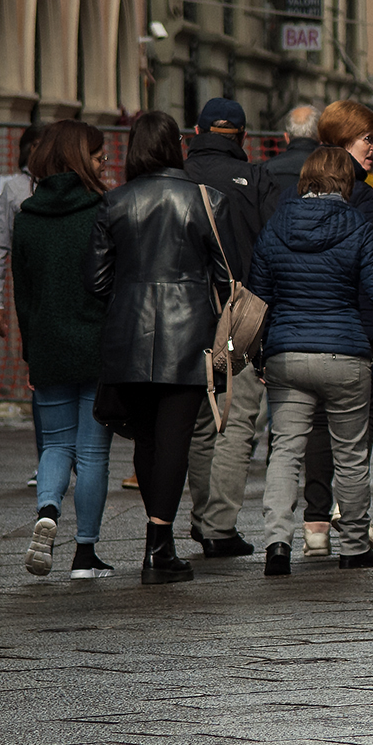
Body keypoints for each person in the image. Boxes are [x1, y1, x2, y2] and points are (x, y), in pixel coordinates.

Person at [85, 111, 231, 585]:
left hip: (128, 334)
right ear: (177, 146)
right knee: (175, 440)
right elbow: (225, 275)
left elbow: (96, 280)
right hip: (189, 333)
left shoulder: (114, 201)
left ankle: (157, 542)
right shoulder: (206, 199)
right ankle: (159, 545)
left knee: (146, 440)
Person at [250, 146, 373, 576]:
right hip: (345, 353)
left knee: (285, 451)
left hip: (286, 353)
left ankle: (277, 544)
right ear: (345, 182)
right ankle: (354, 546)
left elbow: (259, 295)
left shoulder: (277, 224)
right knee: (351, 453)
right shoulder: (357, 224)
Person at [297, 101, 373, 558]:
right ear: (346, 139)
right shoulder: (360, 194)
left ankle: (314, 524)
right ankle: (350, 522)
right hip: (355, 327)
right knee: (353, 430)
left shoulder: (301, 188)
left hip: (303, 327)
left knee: (314, 431)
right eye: (369, 139)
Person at [13, 120, 114, 579]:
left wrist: (31, 351)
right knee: (92, 454)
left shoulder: (27, 217)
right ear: (79, 158)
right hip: (97, 346)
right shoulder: (102, 210)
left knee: (55, 443)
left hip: (49, 344)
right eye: (97, 155)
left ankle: (48, 510)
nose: (104, 161)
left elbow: (24, 293)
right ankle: (85, 554)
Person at [183, 97, 279, 560]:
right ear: (242, 136)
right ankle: (219, 526)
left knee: (200, 422)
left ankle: (202, 517)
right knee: (236, 418)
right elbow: (270, 247)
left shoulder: (178, 176)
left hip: (182, 313)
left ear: (198, 132)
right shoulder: (256, 179)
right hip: (237, 313)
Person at [0, 124, 43, 487]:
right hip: (32, 299)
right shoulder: (14, 188)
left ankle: (73, 455)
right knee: (38, 380)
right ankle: (48, 455)